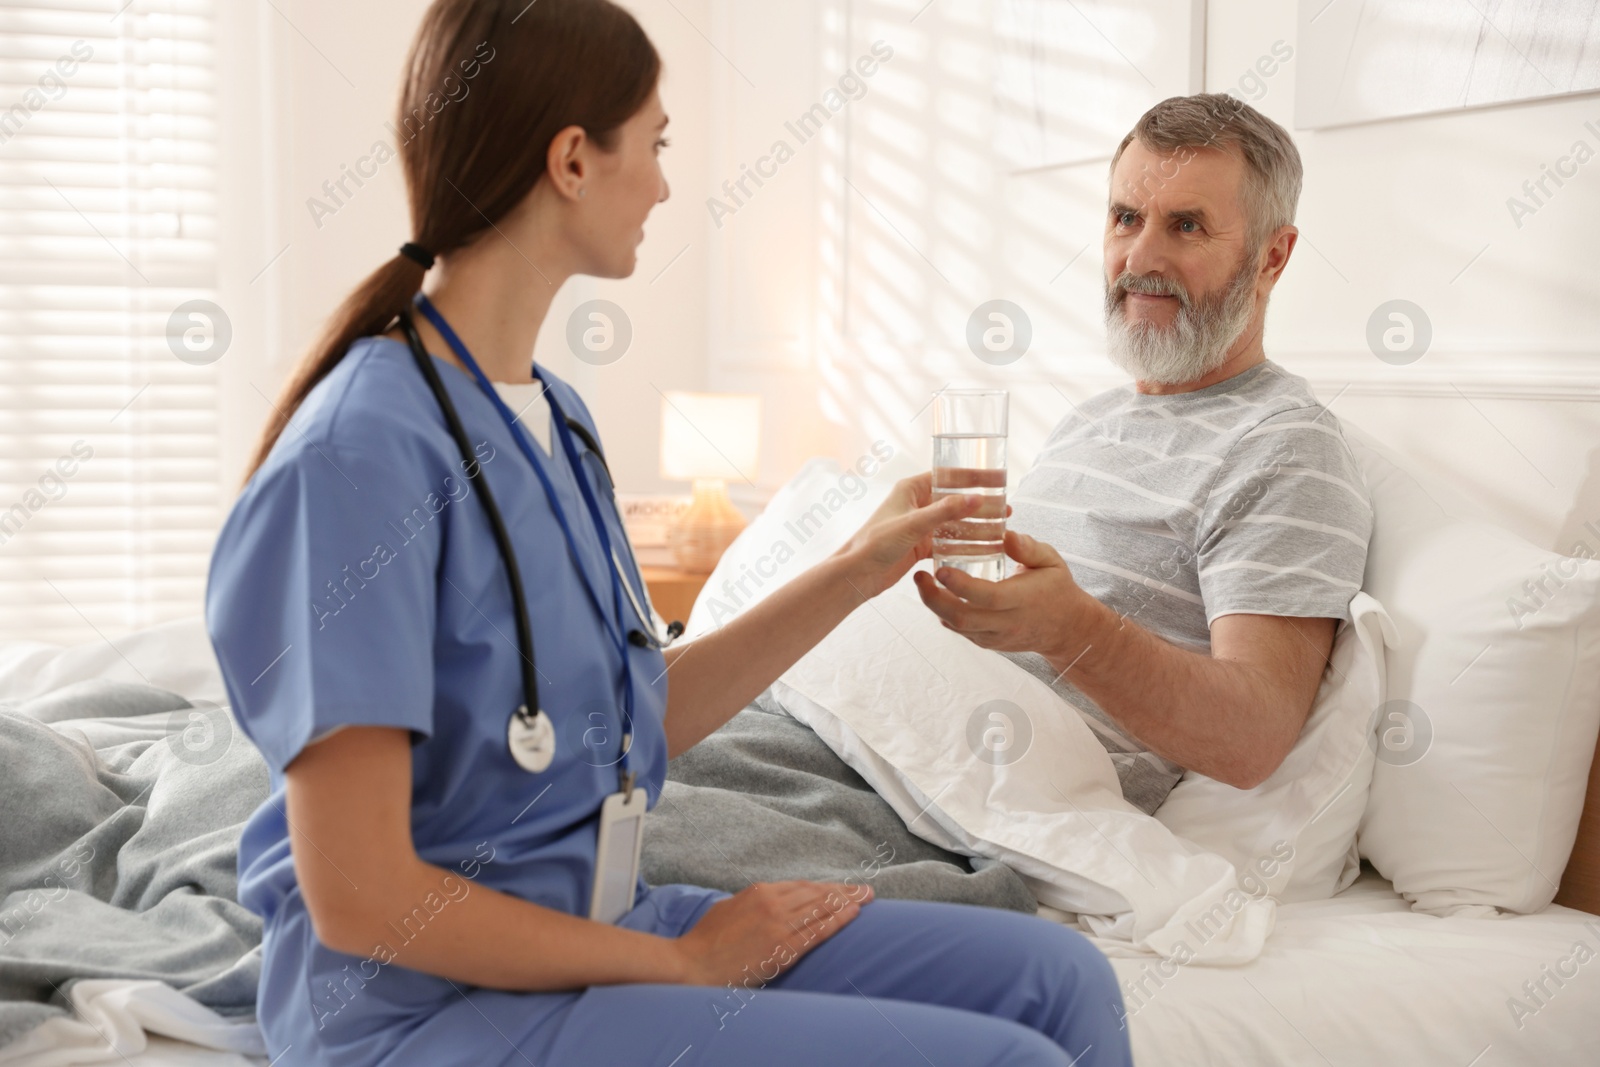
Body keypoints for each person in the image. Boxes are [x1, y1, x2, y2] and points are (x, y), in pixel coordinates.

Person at [204, 1, 1133, 1065]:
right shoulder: (357, 458)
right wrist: (686, 963)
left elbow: (632, 717)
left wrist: (860, 567)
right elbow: (362, 898)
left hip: (595, 932)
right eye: (653, 144)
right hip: (420, 1009)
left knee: (1057, 977)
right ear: (571, 160)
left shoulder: (557, 421)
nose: (662, 182)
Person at [916, 94, 1374, 814]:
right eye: (1126, 218)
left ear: (1272, 257)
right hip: (897, 741)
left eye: (1186, 226)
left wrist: (1070, 628)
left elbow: (1252, 736)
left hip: (969, 802)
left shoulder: (1285, 446)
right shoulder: (1087, 421)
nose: (1140, 258)